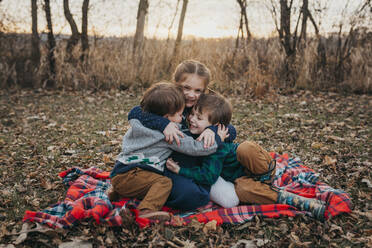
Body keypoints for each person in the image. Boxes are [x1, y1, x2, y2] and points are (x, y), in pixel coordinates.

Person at [166, 93, 327, 220]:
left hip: (260, 169)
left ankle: (266, 181)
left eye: (198, 118)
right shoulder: (200, 140)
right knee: (242, 190)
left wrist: (180, 170)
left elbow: (208, 176)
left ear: (215, 127)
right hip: (242, 180)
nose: (192, 119)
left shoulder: (214, 146)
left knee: (245, 148)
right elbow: (209, 175)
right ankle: (298, 202)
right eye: (192, 114)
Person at [128, 60, 239, 210]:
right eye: (186, 88)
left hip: (201, 163)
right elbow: (135, 112)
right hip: (170, 164)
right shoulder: (167, 101)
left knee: (214, 196)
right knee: (191, 195)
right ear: (176, 83)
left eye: (198, 90)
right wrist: (163, 124)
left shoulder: (203, 105)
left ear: (204, 90)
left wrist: (211, 130)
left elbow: (230, 130)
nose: (191, 95)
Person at [108, 82, 224, 221]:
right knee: (163, 183)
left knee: (148, 179)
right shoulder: (169, 133)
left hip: (118, 172)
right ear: (166, 117)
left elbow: (135, 111)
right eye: (180, 115)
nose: (182, 119)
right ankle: (146, 210)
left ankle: (117, 192)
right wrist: (217, 138)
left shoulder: (141, 123)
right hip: (134, 175)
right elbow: (195, 148)